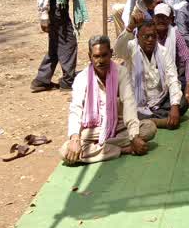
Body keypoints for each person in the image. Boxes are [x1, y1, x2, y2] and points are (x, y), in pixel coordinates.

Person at [61, 35, 157, 165]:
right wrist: (74, 139)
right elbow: (75, 109)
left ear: (111, 53)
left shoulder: (121, 72)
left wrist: (134, 135)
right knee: (65, 151)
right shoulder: (82, 78)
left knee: (149, 128)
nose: (100, 60)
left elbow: (129, 103)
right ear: (90, 56)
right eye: (96, 56)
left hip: (118, 126)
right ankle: (123, 150)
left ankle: (99, 148)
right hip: (92, 131)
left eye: (104, 55)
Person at [115, 14, 187, 130]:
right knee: (126, 108)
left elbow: (173, 79)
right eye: (146, 37)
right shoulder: (131, 48)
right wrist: (129, 27)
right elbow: (118, 50)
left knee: (181, 102)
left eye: (153, 36)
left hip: (160, 100)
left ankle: (151, 120)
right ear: (138, 37)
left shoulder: (163, 51)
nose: (150, 40)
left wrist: (174, 107)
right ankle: (157, 121)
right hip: (138, 102)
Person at [152, 4, 189, 105]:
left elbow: (187, 59)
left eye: (164, 18)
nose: (161, 20)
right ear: (154, 18)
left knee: (182, 101)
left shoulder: (175, 33)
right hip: (151, 77)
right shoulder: (148, 33)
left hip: (173, 76)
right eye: (158, 17)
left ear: (170, 20)